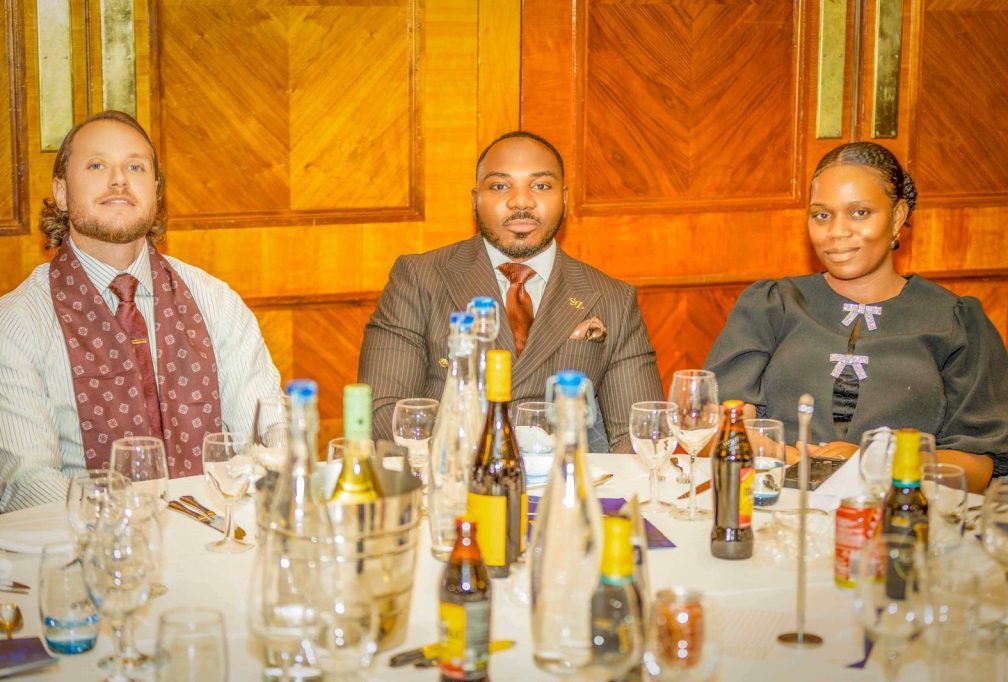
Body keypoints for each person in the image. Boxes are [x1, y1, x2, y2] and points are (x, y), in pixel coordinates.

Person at [0, 111, 281, 512]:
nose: (119, 180)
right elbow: (28, 486)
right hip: (86, 542)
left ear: (155, 191)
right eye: (96, 165)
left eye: (136, 167)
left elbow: (266, 439)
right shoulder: (15, 323)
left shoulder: (216, 302)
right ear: (62, 192)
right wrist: (134, 522)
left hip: (214, 531)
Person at [705, 142, 1008, 492]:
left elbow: (976, 467)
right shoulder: (772, 305)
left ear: (897, 216)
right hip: (777, 504)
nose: (837, 231)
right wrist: (777, 452)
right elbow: (717, 428)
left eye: (860, 212)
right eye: (822, 215)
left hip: (899, 512)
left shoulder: (956, 321)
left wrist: (873, 463)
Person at [358, 131, 663, 452]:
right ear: (475, 199)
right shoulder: (419, 278)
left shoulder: (612, 298)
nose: (521, 201)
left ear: (564, 198)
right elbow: (383, 414)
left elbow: (640, 435)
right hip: (450, 473)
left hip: (560, 477)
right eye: (500, 186)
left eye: (540, 186)